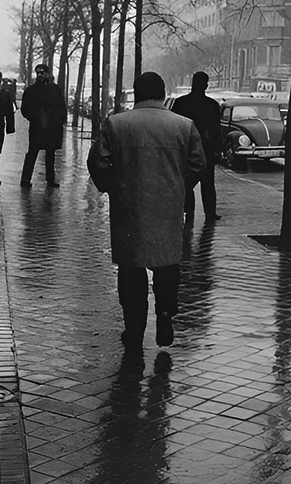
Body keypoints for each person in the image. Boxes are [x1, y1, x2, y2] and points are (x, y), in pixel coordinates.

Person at [87, 71, 206, 352]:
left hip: (129, 207)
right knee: (167, 265)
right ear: (163, 94)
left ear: (136, 93)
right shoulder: (184, 125)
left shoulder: (116, 124)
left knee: (131, 269)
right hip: (168, 206)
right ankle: (165, 315)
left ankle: (134, 328)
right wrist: (178, 186)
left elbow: (98, 163)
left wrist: (113, 188)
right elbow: (198, 164)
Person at [171, 71, 223, 223]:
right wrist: (217, 150)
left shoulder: (181, 103)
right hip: (205, 149)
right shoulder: (212, 105)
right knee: (208, 184)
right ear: (205, 85)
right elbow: (216, 129)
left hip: (186, 149)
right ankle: (210, 214)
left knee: (187, 183)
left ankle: (189, 212)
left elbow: (175, 127)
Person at [19, 64, 68, 188]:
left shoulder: (55, 90)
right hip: (37, 127)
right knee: (32, 153)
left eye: (42, 72)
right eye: (38, 73)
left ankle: (50, 180)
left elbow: (62, 106)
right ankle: (25, 180)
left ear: (47, 74)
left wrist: (60, 120)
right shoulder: (31, 91)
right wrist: (33, 117)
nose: (40, 75)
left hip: (52, 128)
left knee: (50, 154)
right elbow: (25, 109)